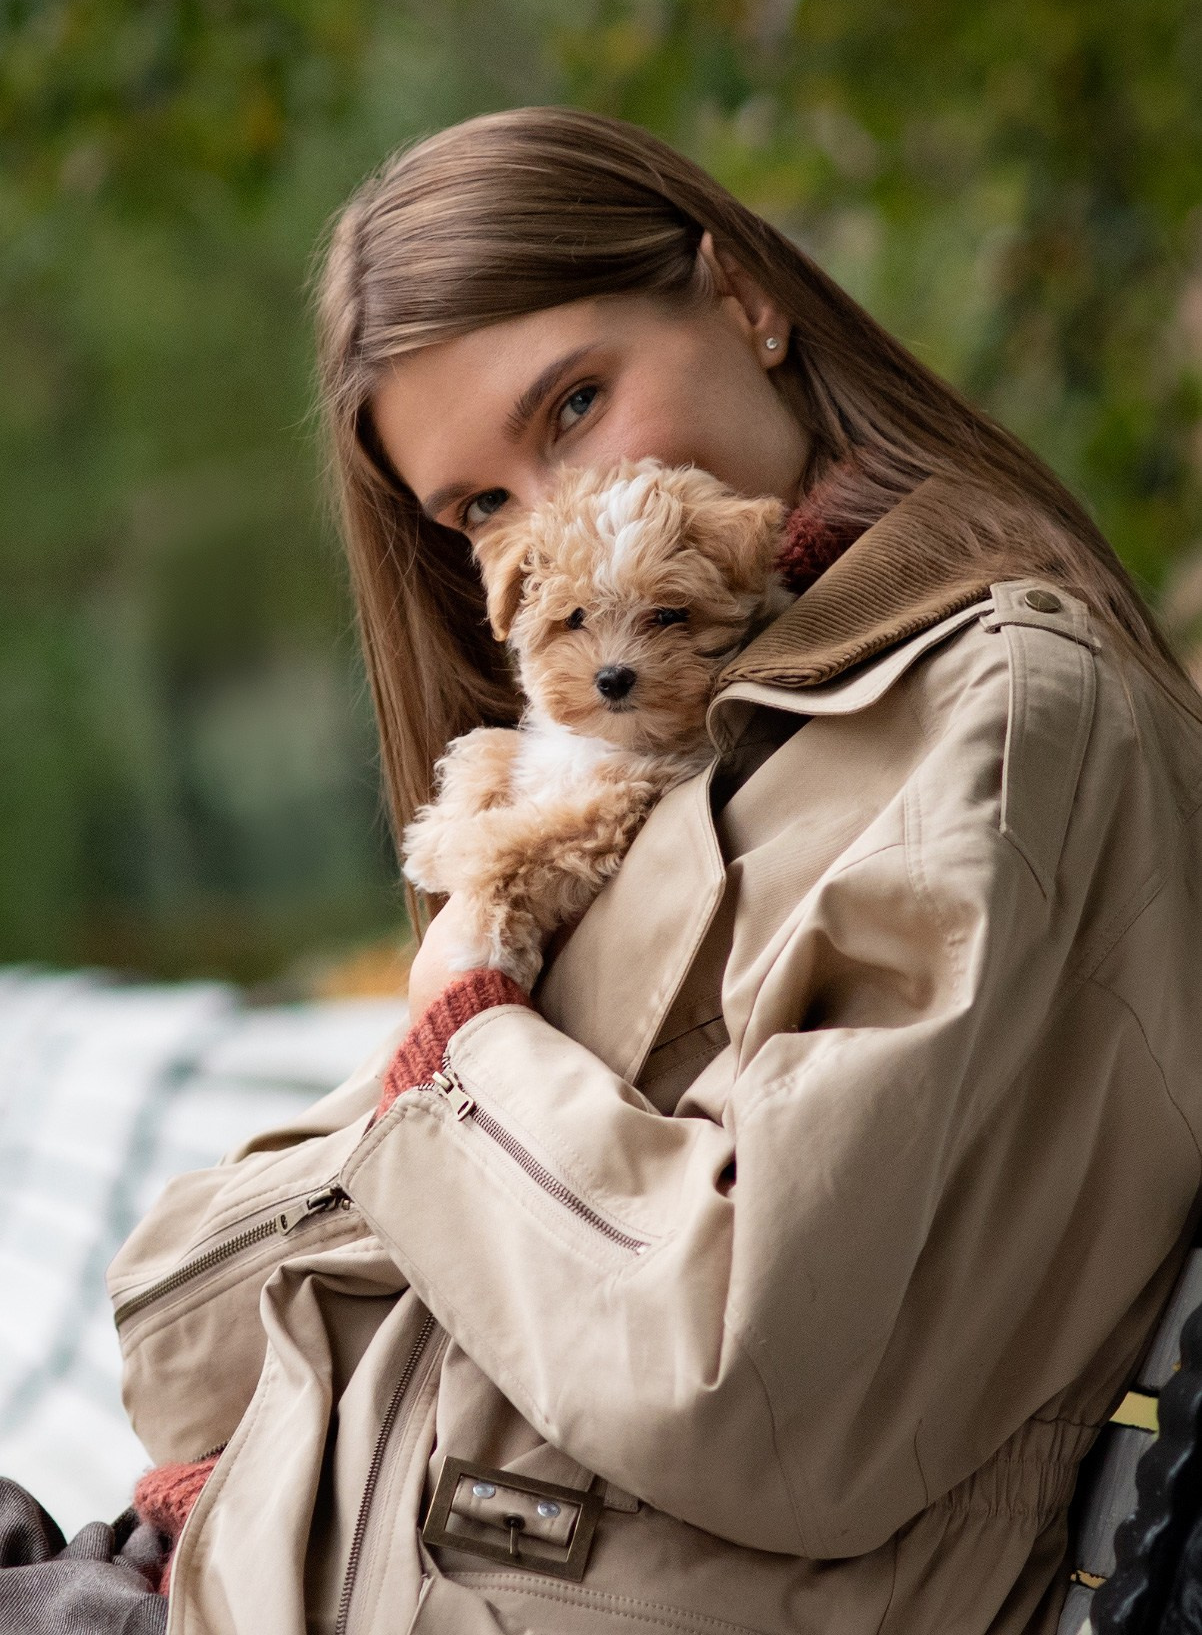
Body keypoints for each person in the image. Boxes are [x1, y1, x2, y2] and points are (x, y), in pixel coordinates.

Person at [5, 106, 1202, 1635]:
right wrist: (479, 1133)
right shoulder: (667, 769)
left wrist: (461, 1054)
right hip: (263, 1564)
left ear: (745, 300)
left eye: (573, 405)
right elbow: (172, 1325)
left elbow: (742, 1370)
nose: (550, 514)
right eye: (482, 506)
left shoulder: (993, 713)